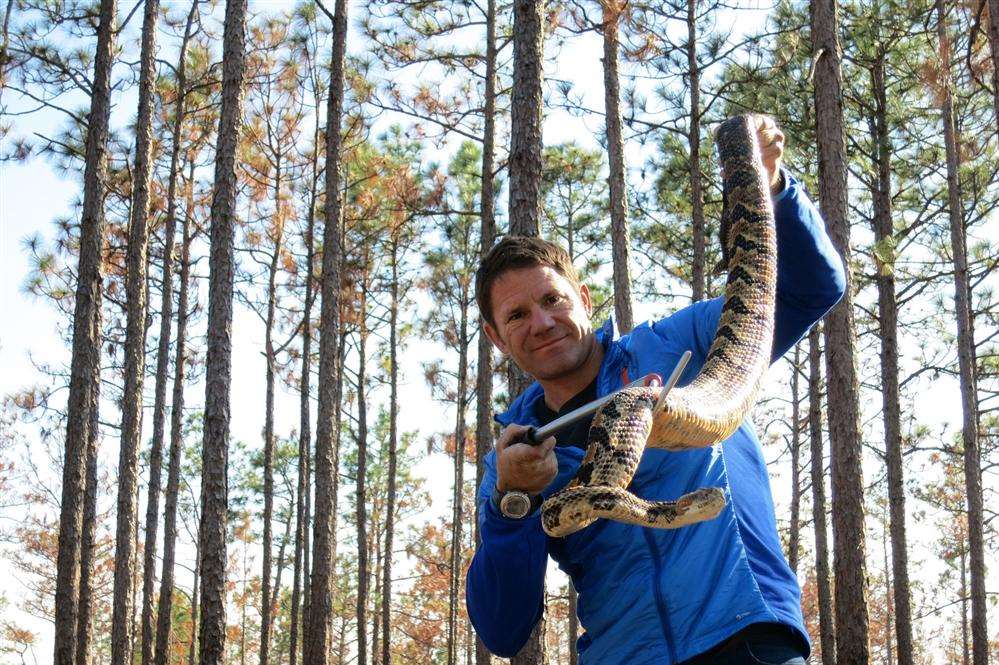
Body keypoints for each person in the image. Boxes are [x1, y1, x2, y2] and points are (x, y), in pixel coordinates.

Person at [465, 116, 846, 665]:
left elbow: (810, 289)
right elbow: (503, 629)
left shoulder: (677, 343)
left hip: (746, 638)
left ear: (585, 299)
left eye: (553, 300)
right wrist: (511, 503)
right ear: (496, 338)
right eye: (518, 314)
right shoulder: (516, 457)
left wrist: (774, 185)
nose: (542, 323)